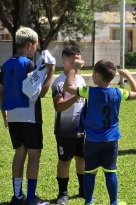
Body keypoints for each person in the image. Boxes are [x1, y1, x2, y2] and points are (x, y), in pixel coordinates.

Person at [63, 59, 136, 205]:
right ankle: (114, 202)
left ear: (97, 75)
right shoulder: (118, 92)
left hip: (92, 140)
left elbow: (68, 87)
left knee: (90, 172)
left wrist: (73, 68)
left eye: (93, 72)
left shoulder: (89, 92)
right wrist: (128, 76)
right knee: (110, 171)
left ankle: (88, 202)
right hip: (111, 140)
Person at [0, 27, 55, 205]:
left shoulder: (6, 65)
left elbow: (0, 93)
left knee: (19, 154)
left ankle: (17, 196)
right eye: (36, 46)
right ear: (30, 45)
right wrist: (51, 71)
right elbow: (39, 93)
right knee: (34, 155)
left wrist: (4, 115)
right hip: (30, 116)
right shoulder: (28, 64)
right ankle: (30, 198)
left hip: (13, 116)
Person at [51, 46, 86, 205]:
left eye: (79, 61)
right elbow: (58, 106)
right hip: (64, 130)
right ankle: (63, 193)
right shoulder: (58, 83)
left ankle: (83, 189)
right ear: (64, 62)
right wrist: (77, 94)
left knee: (81, 159)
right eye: (73, 62)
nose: (77, 66)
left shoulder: (81, 80)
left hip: (82, 129)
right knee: (65, 161)